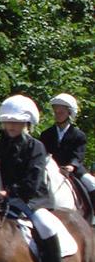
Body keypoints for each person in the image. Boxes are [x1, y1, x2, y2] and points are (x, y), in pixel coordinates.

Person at [0, 95, 67, 262]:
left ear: (27, 123)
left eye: (16, 123)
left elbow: (33, 181)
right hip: (4, 199)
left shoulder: (36, 147)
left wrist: (10, 192)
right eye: (8, 122)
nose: (11, 126)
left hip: (32, 199)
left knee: (46, 225)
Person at [39, 93, 95, 222]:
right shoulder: (46, 134)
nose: (57, 114)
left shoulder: (78, 135)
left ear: (69, 113)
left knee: (92, 183)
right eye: (56, 111)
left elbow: (78, 154)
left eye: (61, 112)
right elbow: (42, 153)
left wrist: (72, 166)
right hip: (51, 169)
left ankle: (92, 217)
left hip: (72, 169)